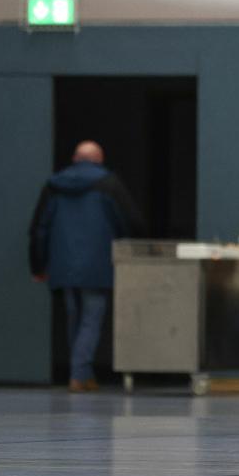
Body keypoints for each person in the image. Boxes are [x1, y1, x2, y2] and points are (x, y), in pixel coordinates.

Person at [29, 140, 145, 392]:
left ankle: (82, 373)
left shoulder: (54, 185)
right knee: (91, 321)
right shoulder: (108, 183)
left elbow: (39, 228)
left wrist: (37, 265)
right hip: (98, 263)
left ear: (74, 158)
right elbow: (129, 220)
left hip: (63, 264)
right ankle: (79, 374)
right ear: (99, 159)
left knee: (74, 318)